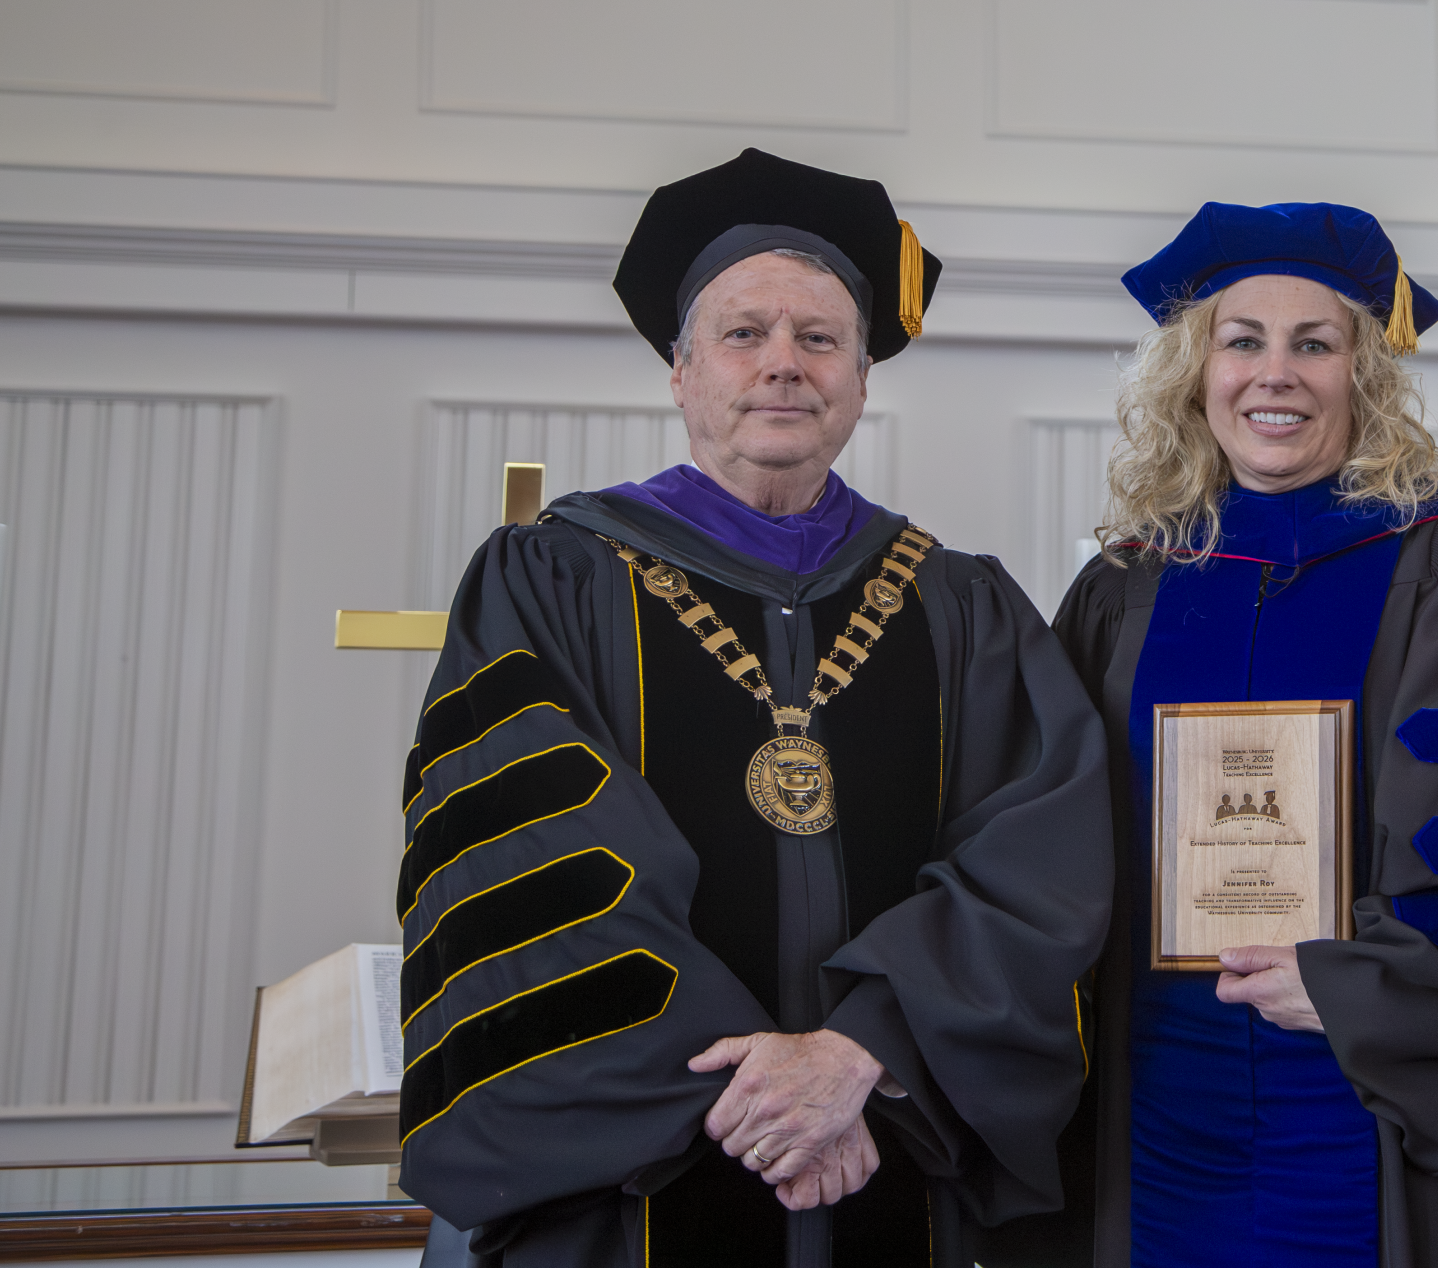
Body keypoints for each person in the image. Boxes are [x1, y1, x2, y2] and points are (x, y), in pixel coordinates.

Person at [398, 148, 1112, 1268]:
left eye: (819, 337)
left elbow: (1037, 860)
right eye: (743, 333)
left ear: (861, 378)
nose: (783, 363)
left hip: (888, 1129)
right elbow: (526, 857)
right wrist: (761, 1092)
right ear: (680, 372)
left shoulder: (960, 603)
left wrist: (859, 1051)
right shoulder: (556, 580)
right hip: (644, 1169)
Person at [986, 203, 1438, 1268]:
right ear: (1197, 369)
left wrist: (1353, 981)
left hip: (1378, 1102)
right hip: (1159, 1093)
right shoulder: (1125, 583)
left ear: (1361, 372)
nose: (1274, 373)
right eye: (1243, 340)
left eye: (1312, 343)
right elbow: (1048, 841)